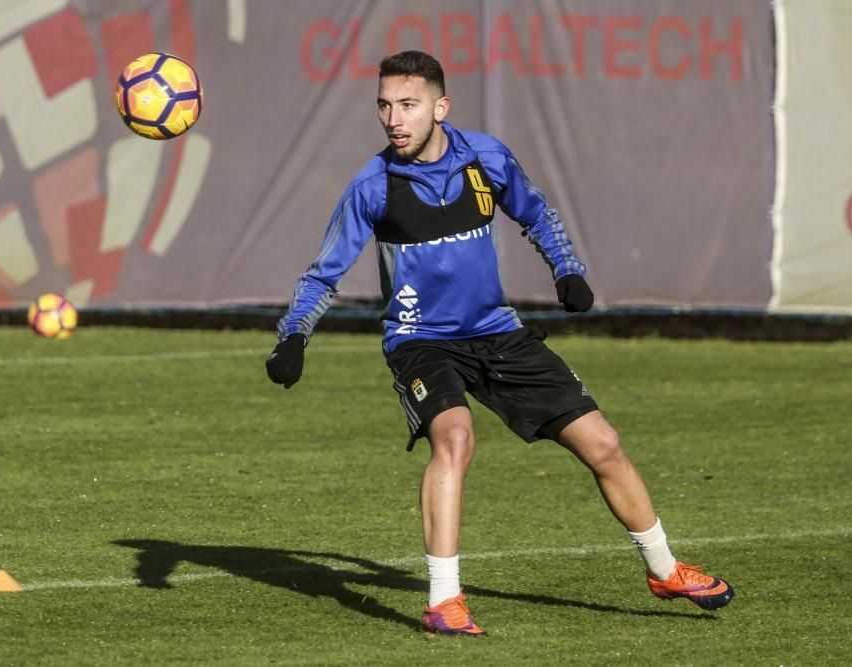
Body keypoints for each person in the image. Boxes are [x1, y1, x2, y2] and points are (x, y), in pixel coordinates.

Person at [266, 50, 733, 636]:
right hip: (422, 342)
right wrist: (293, 338)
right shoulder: (373, 186)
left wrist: (566, 269)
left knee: (604, 443)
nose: (394, 119)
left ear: (441, 107)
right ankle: (444, 601)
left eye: (407, 105)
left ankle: (665, 570)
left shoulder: (485, 158)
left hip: (496, 331)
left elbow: (536, 215)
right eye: (385, 106)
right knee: (455, 439)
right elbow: (323, 273)